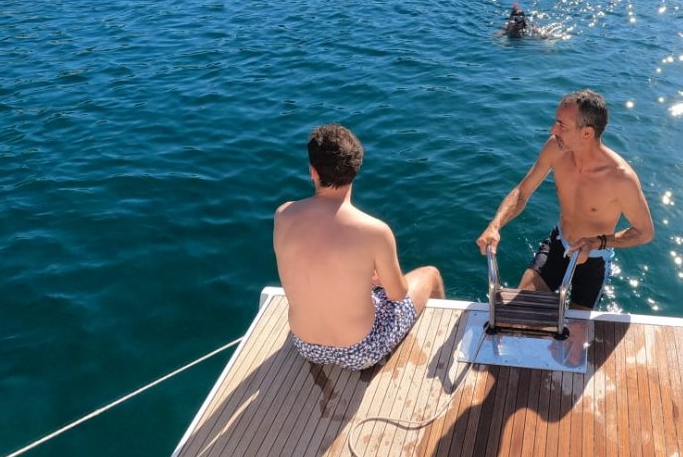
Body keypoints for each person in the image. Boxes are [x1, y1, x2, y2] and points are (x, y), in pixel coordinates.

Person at [274, 124, 444, 370]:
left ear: (313, 171)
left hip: (305, 345)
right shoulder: (375, 231)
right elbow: (397, 294)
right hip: (360, 351)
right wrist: (377, 280)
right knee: (430, 274)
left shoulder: (283, 215)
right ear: (354, 171)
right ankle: (437, 345)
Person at [475, 89, 654, 309]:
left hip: (594, 258)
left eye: (562, 125)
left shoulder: (620, 178)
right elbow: (523, 191)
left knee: (575, 334)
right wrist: (495, 225)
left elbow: (645, 232)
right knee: (520, 310)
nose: (553, 130)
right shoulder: (555, 148)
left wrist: (597, 242)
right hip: (559, 243)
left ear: (586, 133)